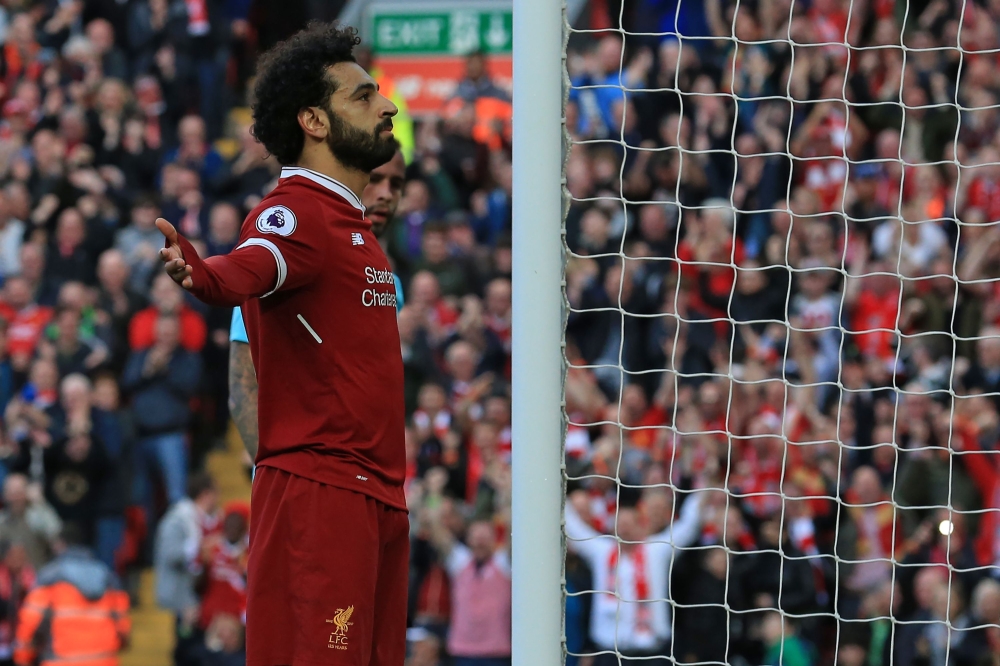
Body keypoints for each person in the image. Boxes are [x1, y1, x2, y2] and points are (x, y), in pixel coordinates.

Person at [155, 23, 408, 664]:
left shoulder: (355, 226)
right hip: (322, 493)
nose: (388, 106)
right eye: (363, 96)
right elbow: (251, 263)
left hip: (374, 491)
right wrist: (203, 274)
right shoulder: (295, 211)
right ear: (314, 121)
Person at [228, 143, 406, 460]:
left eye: (396, 184)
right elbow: (243, 388)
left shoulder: (390, 283)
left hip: (363, 474)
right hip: (302, 479)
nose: (386, 194)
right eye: (375, 178)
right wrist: (276, 471)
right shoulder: (292, 258)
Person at [12, 525, 130, 666]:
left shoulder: (50, 578)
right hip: (104, 661)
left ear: (60, 545)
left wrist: (22, 658)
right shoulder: (107, 578)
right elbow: (122, 627)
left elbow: (30, 623)